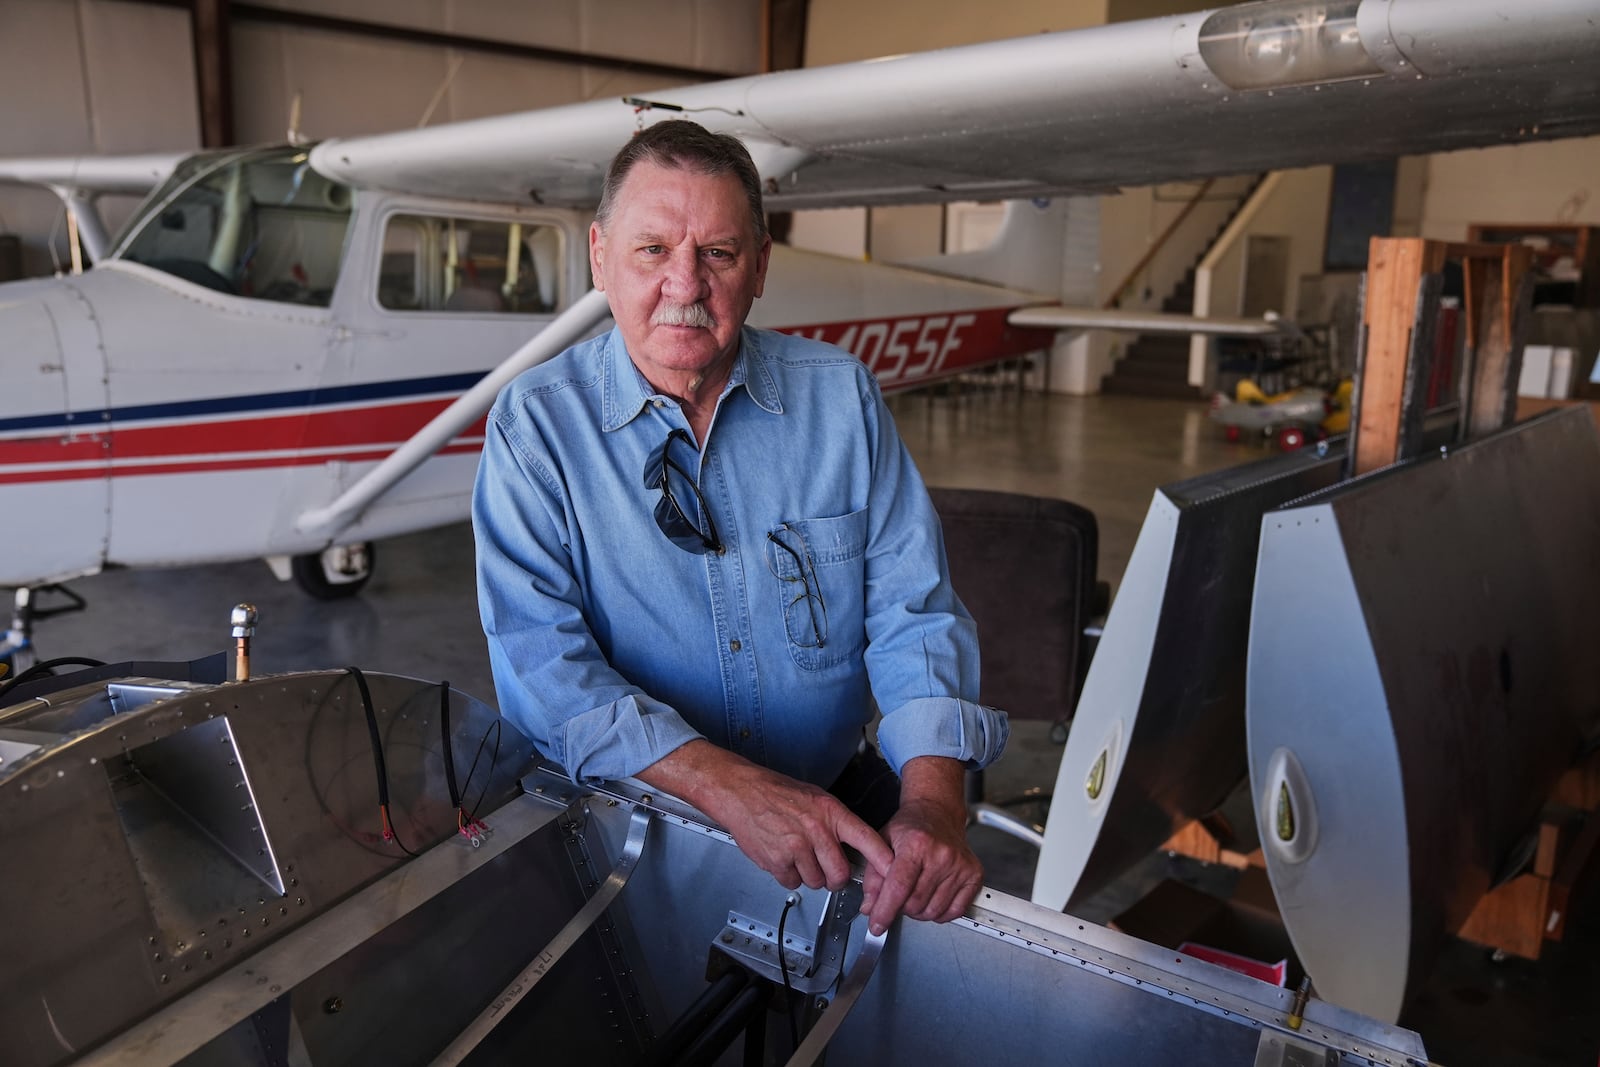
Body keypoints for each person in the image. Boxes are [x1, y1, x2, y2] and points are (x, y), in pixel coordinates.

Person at [473, 120, 1007, 935]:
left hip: (834, 789)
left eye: (718, 253)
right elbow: (543, 663)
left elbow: (914, 608)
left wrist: (934, 802)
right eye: (653, 249)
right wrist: (729, 786)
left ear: (759, 266)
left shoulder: (841, 400)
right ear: (600, 256)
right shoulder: (534, 426)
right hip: (634, 809)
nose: (684, 284)